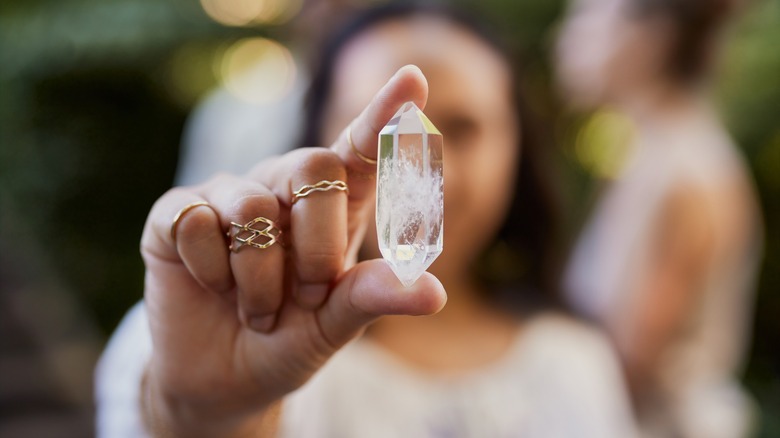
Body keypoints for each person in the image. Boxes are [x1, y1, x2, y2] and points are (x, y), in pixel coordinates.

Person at [96, 3, 639, 437]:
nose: (426, 167)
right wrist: (199, 418)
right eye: (380, 130)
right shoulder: (251, 336)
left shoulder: (574, 360)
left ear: (518, 150)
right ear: (321, 137)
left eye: (466, 127)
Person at [556, 0, 764, 437]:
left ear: (652, 38)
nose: (567, 37)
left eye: (588, 18)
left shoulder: (688, 178)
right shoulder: (650, 156)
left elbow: (633, 358)